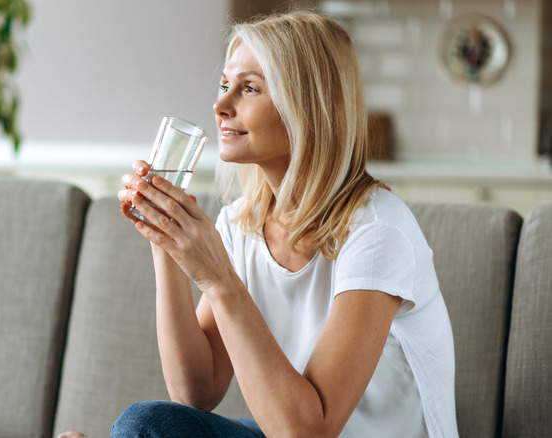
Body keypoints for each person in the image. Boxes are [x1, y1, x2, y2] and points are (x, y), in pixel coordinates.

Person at [60, 10, 458, 438]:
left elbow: (309, 432)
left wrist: (219, 279)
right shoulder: (241, 223)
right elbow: (196, 391)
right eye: (224, 85)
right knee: (149, 424)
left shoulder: (378, 231)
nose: (220, 105)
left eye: (249, 88)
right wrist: (166, 242)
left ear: (308, 107)